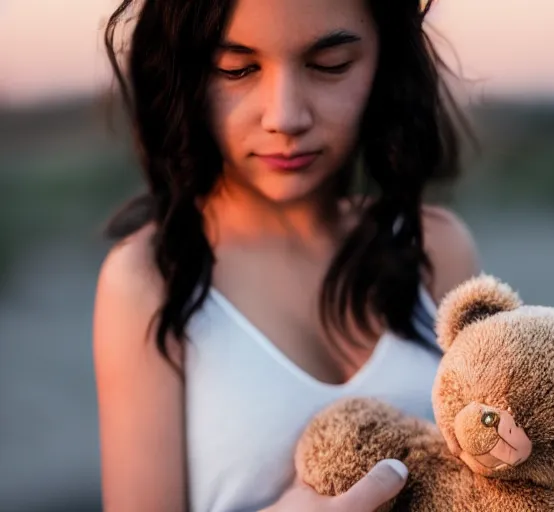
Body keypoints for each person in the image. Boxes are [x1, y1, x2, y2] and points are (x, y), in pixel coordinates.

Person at [92, 0, 480, 510]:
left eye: (330, 66)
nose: (286, 116)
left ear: (385, 61)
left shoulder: (436, 250)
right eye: (236, 69)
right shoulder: (150, 281)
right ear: (184, 72)